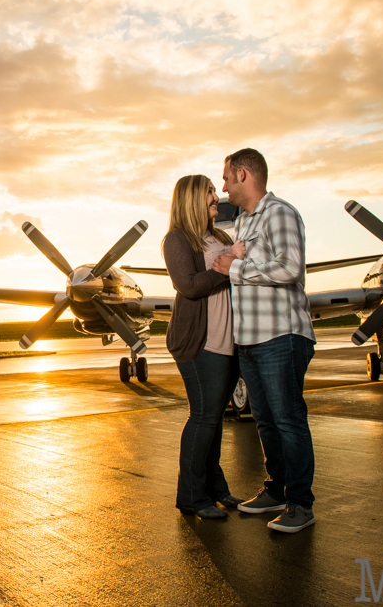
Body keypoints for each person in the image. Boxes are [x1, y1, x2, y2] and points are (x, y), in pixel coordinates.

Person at [213, 148, 318, 533]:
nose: (223, 186)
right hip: (250, 340)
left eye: (225, 178)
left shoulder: (280, 213)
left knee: (288, 420)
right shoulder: (240, 224)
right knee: (265, 422)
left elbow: (290, 267)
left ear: (243, 175)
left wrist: (235, 267)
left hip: (281, 335)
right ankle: (276, 490)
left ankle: (301, 505)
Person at [162, 174, 246, 520]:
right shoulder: (177, 239)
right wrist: (228, 266)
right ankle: (192, 497)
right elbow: (189, 285)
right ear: (194, 198)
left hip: (229, 342)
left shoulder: (221, 236)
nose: (217, 196)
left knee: (214, 420)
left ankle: (216, 488)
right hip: (201, 343)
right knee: (203, 418)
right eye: (210, 191)